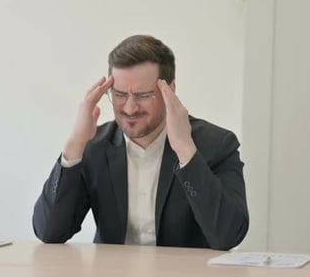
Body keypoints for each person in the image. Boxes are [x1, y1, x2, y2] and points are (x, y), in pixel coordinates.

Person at [32, 35, 249, 250]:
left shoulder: (216, 145)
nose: (129, 108)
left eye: (143, 95)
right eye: (119, 94)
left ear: (170, 89)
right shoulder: (94, 145)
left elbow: (228, 236)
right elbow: (50, 232)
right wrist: (74, 145)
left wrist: (185, 150)